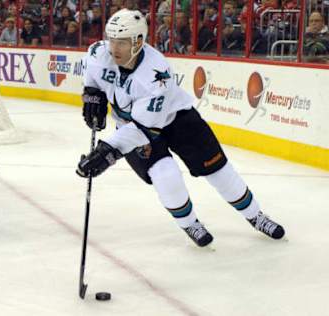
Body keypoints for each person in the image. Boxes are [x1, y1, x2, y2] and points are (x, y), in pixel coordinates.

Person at [77, 9, 285, 247]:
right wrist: (92, 94)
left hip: (176, 120)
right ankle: (189, 223)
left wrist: (107, 152)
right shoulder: (97, 53)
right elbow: (91, 77)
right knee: (165, 175)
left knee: (218, 170)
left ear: (138, 41)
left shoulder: (157, 74)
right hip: (130, 125)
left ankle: (255, 216)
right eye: (111, 40)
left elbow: (143, 128)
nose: (114, 48)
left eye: (122, 42)